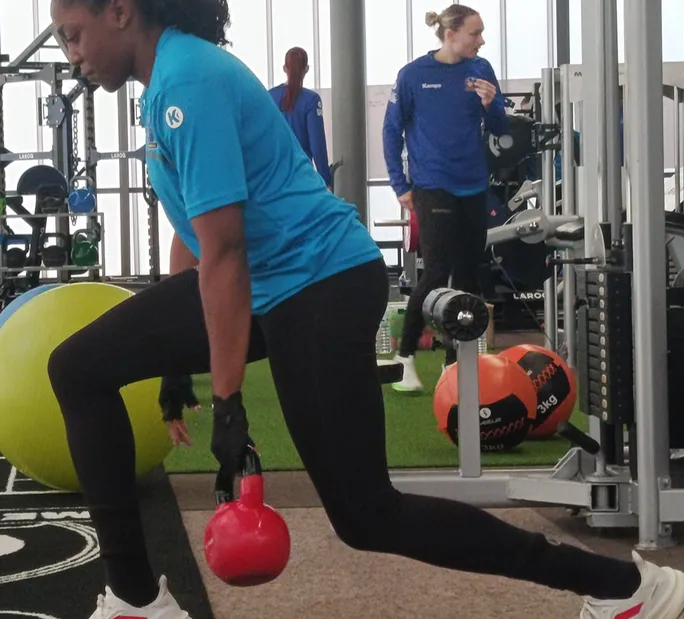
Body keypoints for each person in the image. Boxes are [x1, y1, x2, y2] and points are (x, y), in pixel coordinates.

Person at [46, 1, 684, 619]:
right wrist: (174, 361)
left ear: (121, 11)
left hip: (319, 284)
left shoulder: (187, 80)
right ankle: (135, 602)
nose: (72, 57)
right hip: (264, 281)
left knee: (366, 515)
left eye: (74, 35)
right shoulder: (162, 85)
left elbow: (226, 250)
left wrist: (228, 402)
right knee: (78, 367)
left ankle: (626, 585)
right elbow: (195, 226)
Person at [382, 4, 508, 392]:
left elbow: (501, 130)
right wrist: (399, 184)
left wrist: (492, 106)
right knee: (437, 271)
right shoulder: (413, 75)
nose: (482, 40)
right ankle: (405, 359)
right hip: (432, 185)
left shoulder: (481, 70)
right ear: (450, 33)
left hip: (473, 185)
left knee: (470, 276)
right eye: (475, 33)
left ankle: (456, 365)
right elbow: (391, 132)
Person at [268, 47, 332, 189]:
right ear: (307, 69)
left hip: (273, 177)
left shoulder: (269, 96)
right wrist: (326, 180)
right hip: (300, 177)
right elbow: (317, 145)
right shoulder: (311, 100)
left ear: (285, 68)